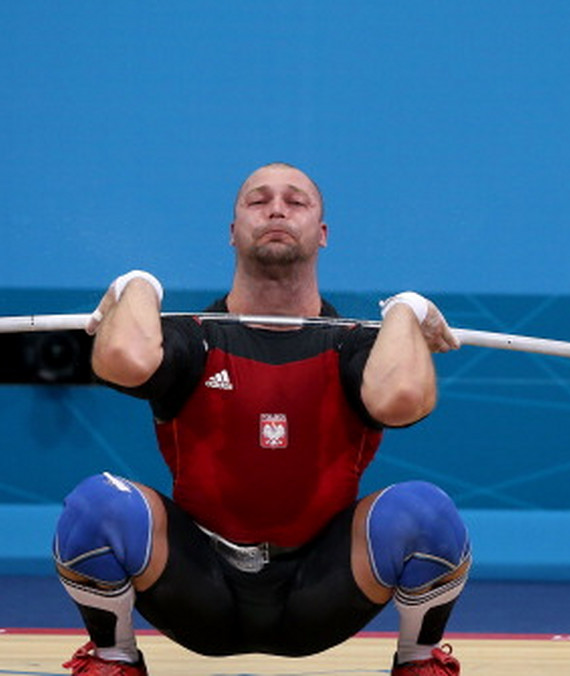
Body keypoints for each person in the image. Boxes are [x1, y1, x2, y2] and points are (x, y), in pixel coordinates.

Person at [53, 162, 471, 675]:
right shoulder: (195, 337)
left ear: (322, 234)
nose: (276, 208)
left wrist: (404, 311)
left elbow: (403, 399)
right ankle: (113, 658)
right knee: (96, 505)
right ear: (233, 233)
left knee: (425, 510)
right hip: (198, 585)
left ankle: (419, 662)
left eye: (296, 202)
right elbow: (124, 361)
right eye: (258, 200)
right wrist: (138, 284)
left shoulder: (353, 346)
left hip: (321, 588)